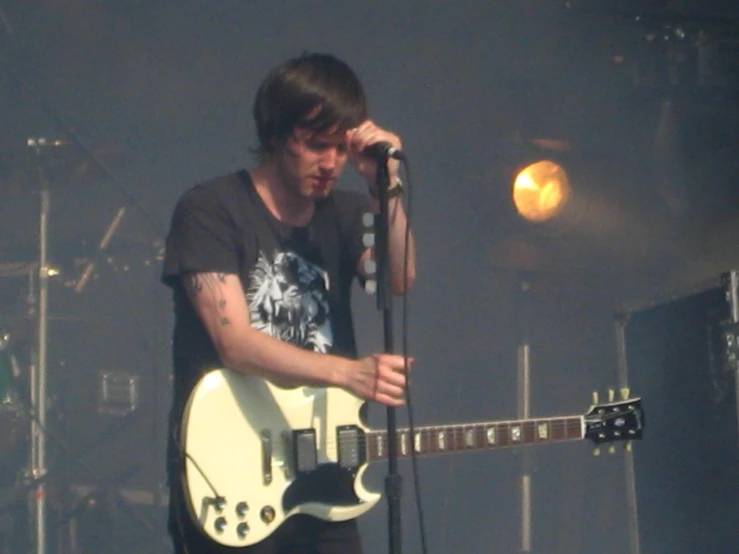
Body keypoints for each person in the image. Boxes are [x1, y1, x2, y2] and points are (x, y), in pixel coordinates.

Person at [161, 52, 417, 554]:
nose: (331, 164)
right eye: (317, 146)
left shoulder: (346, 212)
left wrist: (386, 186)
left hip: (321, 470)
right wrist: (347, 373)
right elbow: (233, 341)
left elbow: (400, 277)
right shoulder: (211, 209)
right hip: (230, 464)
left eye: (341, 149)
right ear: (277, 136)